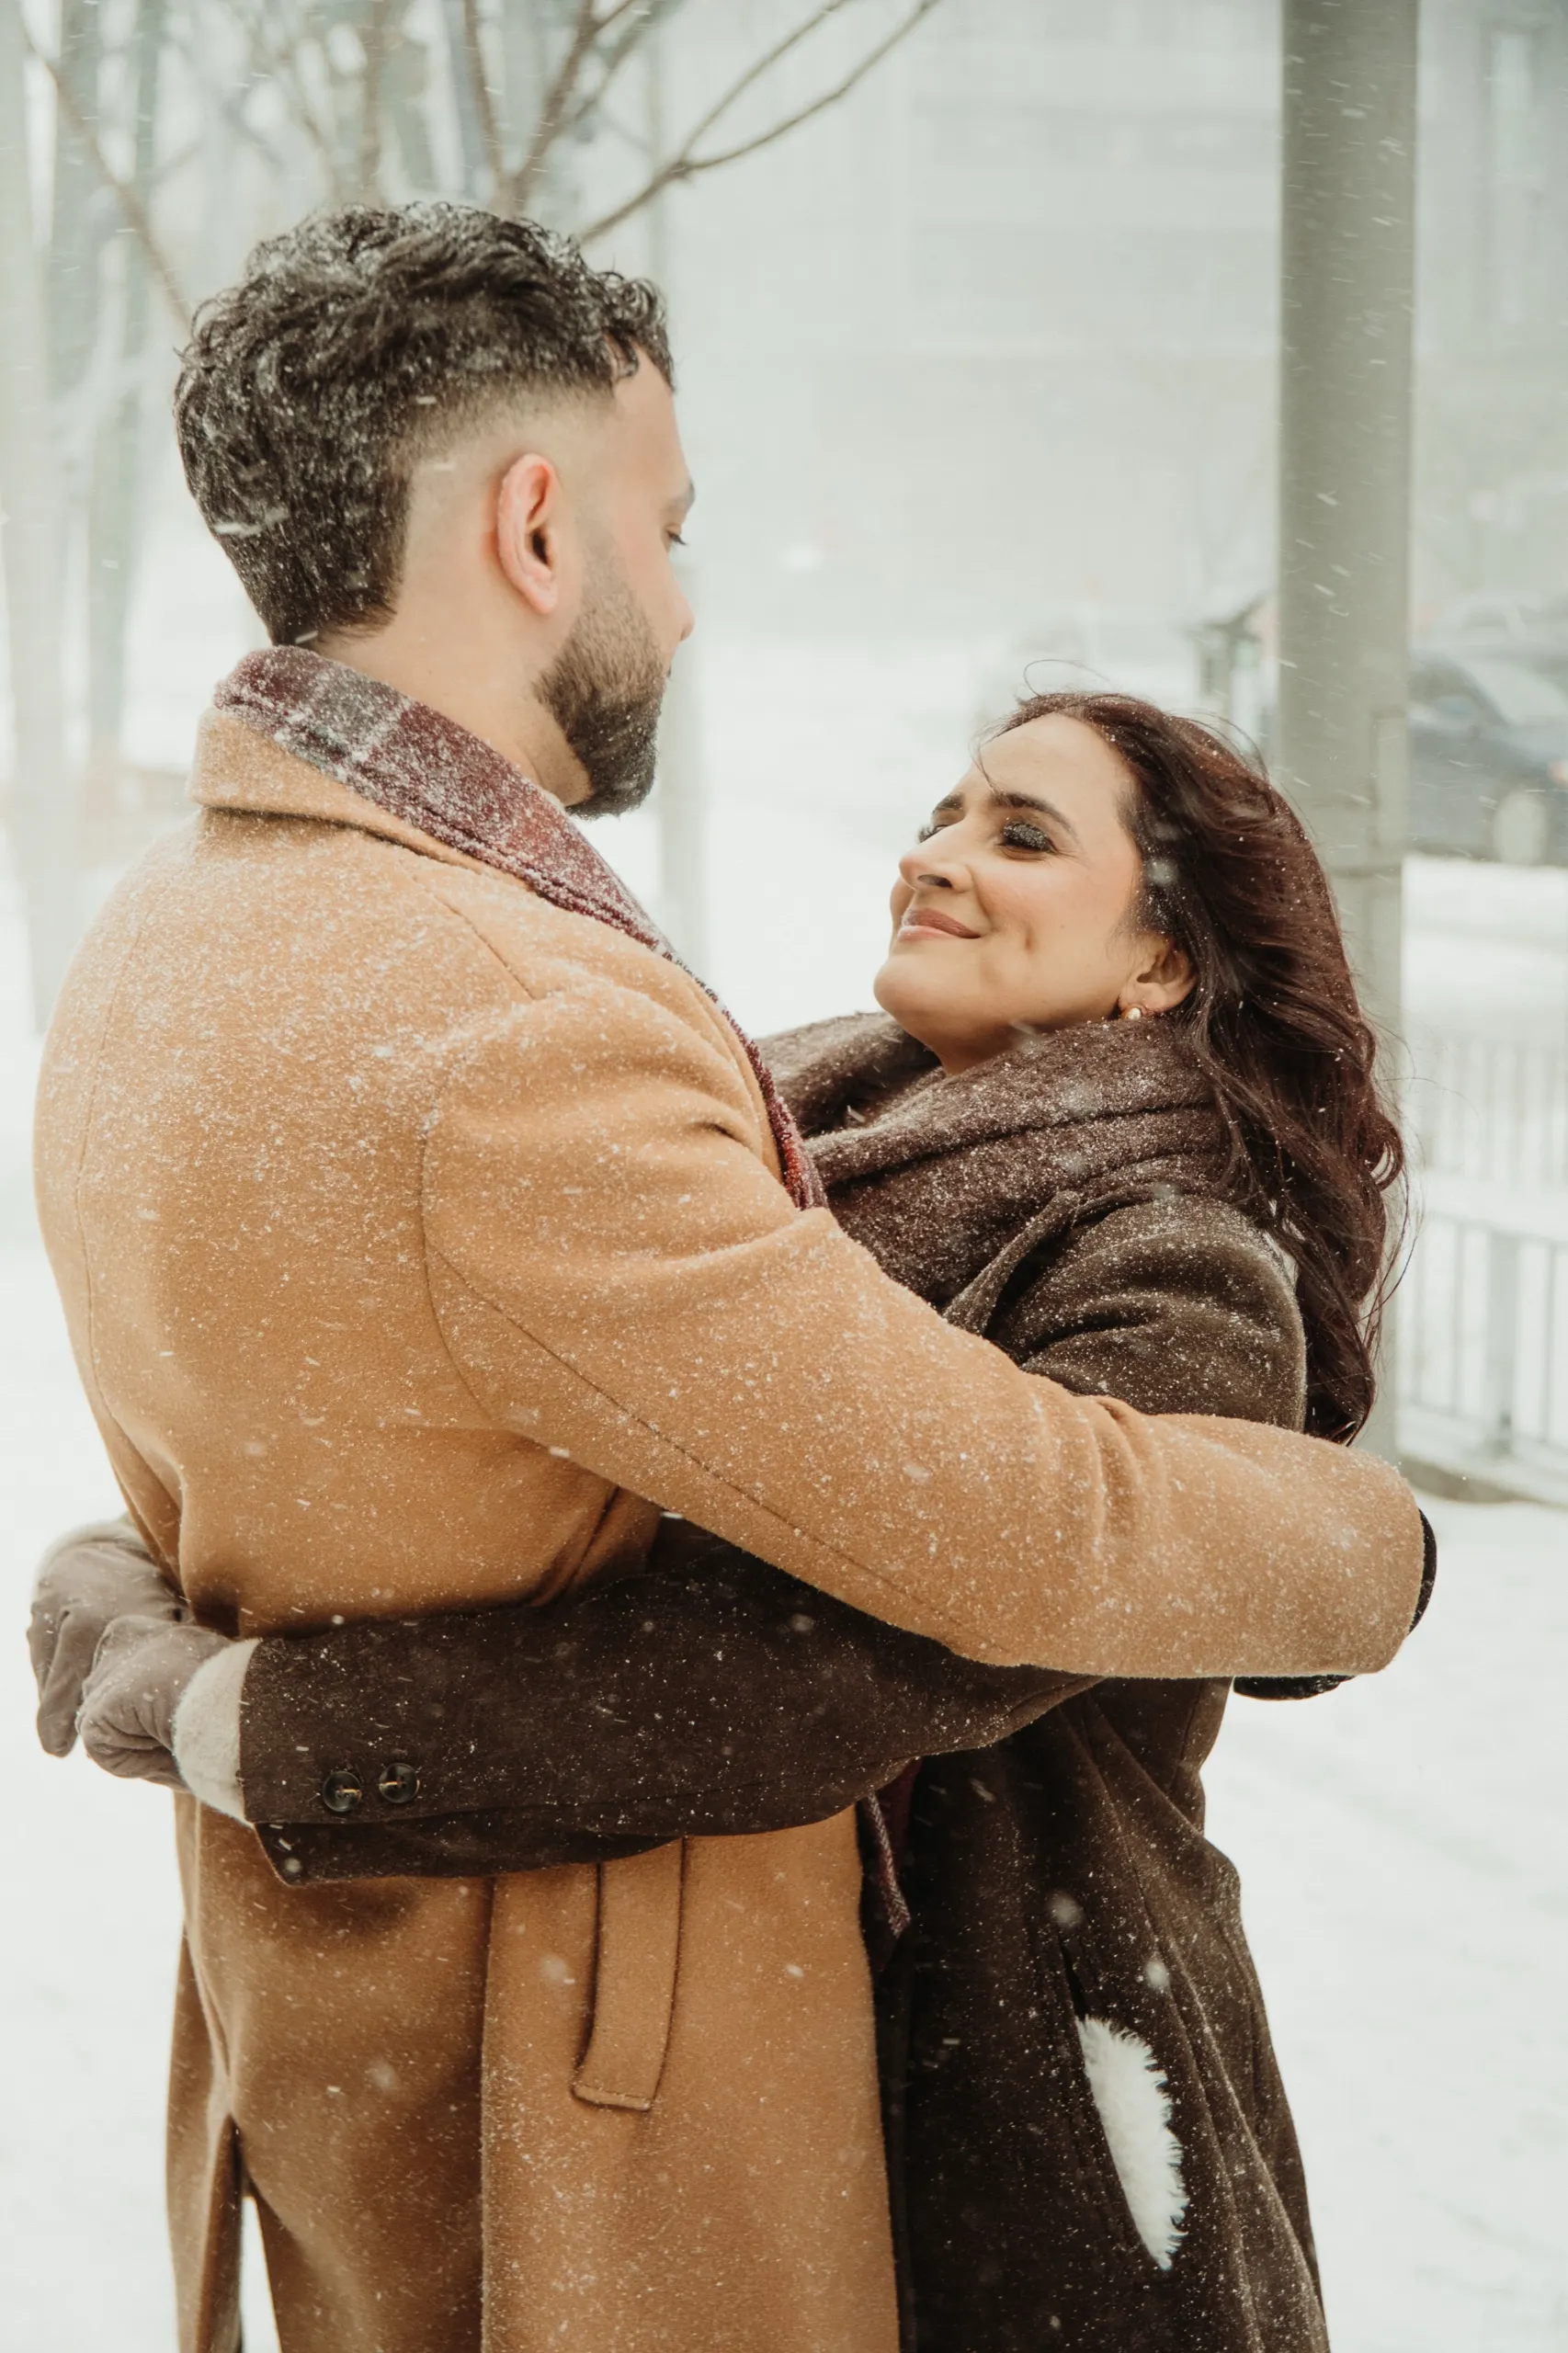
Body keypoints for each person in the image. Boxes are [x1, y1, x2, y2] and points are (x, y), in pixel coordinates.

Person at [28, 199, 1426, 2353]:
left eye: (1023, 832)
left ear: (1169, 957)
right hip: (575, 2105)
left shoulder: (163, 942)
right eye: (664, 529)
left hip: (893, 2086)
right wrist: (1368, 1548)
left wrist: (183, 1652)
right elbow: (974, 1544)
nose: (681, 605)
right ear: (530, 526)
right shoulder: (528, 1035)